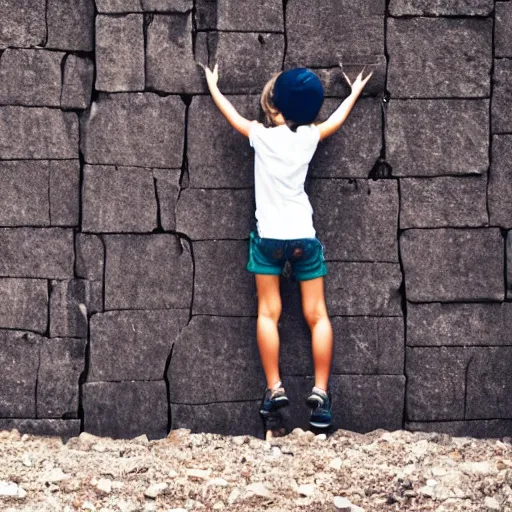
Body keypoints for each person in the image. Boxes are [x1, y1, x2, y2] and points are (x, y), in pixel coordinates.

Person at [201, 63, 373, 429]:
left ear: (273, 105)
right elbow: (336, 121)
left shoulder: (260, 136)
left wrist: (213, 85)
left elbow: (229, 113)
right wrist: (354, 93)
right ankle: (321, 394)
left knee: (269, 313)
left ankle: (275, 388)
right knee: (317, 315)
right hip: (303, 237)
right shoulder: (309, 137)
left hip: (269, 240)